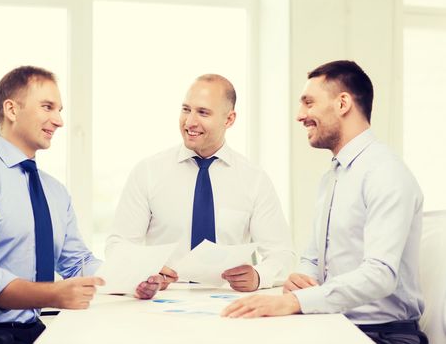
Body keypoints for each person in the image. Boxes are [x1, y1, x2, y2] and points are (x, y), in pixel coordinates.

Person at [0, 66, 161, 344]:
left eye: (60, 110)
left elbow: (77, 263)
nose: (59, 121)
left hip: (31, 329)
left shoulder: (54, 192)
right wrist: (53, 294)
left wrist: (130, 282)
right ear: (12, 110)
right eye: (47, 107)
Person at [221, 60, 428, 344]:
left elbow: (380, 275)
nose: (300, 115)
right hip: (333, 324)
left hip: (382, 335)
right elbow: (313, 258)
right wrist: (300, 282)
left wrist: (297, 302)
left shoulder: (385, 173)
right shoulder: (333, 175)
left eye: (308, 102)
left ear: (343, 104)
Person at [106, 74, 295, 292]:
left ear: (229, 119)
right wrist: (144, 272)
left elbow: (282, 254)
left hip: (229, 303)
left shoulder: (254, 179)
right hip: (160, 304)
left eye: (203, 112)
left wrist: (259, 276)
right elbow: (118, 246)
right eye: (186, 110)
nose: (190, 122)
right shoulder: (147, 172)